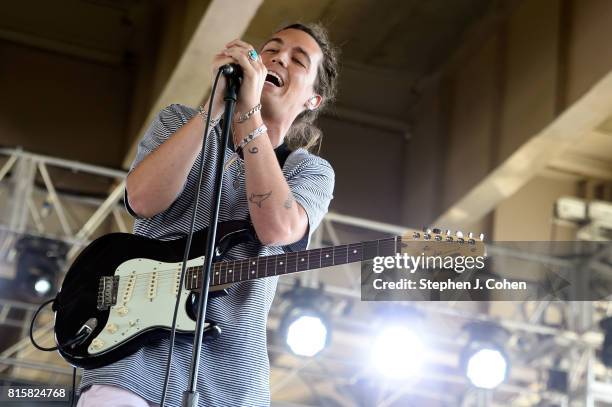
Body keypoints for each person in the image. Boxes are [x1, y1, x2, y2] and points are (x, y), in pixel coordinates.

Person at [77, 22, 339, 406]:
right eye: (272, 50)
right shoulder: (178, 121)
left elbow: (277, 228)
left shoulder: (309, 172)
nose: (279, 58)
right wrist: (213, 107)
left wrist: (249, 114)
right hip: (131, 366)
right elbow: (143, 199)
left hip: (232, 383)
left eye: (298, 60)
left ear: (313, 100)